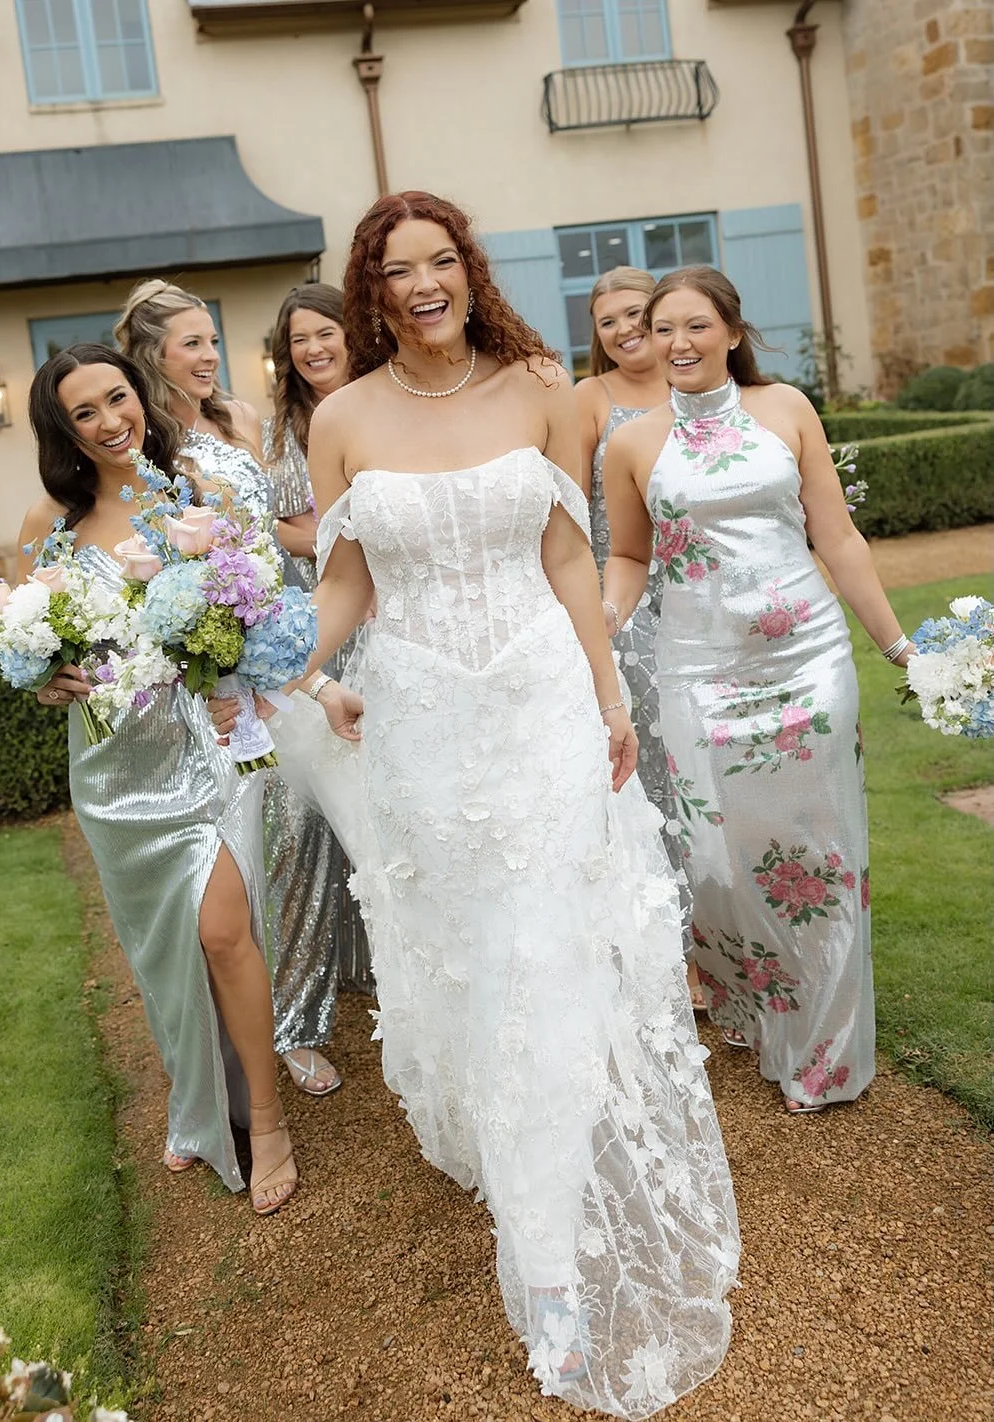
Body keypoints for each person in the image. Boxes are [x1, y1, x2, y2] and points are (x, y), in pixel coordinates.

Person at [216, 193, 739, 1416]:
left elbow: (566, 555)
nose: (423, 283)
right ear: (373, 291)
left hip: (542, 706)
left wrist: (608, 697)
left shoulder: (540, 391)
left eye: (440, 261)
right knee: (475, 959)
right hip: (425, 725)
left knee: (545, 954)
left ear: (467, 271)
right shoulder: (342, 418)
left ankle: (548, 1264)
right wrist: (289, 670)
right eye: (397, 271)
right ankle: (514, 1160)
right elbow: (345, 582)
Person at [602, 265, 914, 1114]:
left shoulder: (786, 411)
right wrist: (598, 621)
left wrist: (895, 645)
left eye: (696, 325)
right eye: (661, 328)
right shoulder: (631, 443)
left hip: (807, 659)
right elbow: (629, 556)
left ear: (732, 333)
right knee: (716, 865)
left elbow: (837, 537)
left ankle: (826, 1052)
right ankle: (750, 997)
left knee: (820, 853)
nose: (677, 342)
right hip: (696, 670)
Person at [21, 344, 296, 1213]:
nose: (111, 422)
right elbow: (36, 647)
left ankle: (268, 1117)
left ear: (140, 394)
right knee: (164, 953)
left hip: (200, 750)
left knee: (221, 932)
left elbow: (253, 611)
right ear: (62, 432)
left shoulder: (194, 500)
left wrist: (227, 678)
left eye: (117, 398)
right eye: (86, 414)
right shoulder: (48, 526)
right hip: (110, 771)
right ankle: (195, 1100)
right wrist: (43, 678)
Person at [116, 282, 347, 1097]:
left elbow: (274, 533)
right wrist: (216, 672)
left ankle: (302, 1011)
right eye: (190, 344)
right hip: (219, 669)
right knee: (247, 849)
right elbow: (162, 571)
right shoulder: (147, 443)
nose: (209, 357)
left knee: (303, 837)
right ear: (152, 354)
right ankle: (259, 1026)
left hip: (280, 632)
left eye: (212, 340)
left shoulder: (242, 421)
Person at [574, 268, 698, 1005]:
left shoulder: (702, 389)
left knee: (707, 777)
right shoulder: (589, 400)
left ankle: (727, 938)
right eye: (606, 322)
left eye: (634, 315)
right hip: (621, 607)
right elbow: (561, 509)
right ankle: (672, 948)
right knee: (653, 780)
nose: (622, 331)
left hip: (701, 598)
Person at [263, 283, 373, 996]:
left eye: (324, 332)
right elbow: (271, 528)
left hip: (388, 608)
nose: (313, 348)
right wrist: (337, 543)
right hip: (318, 617)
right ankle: (348, 959)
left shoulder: (379, 405)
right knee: (337, 786)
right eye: (299, 339)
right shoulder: (279, 436)